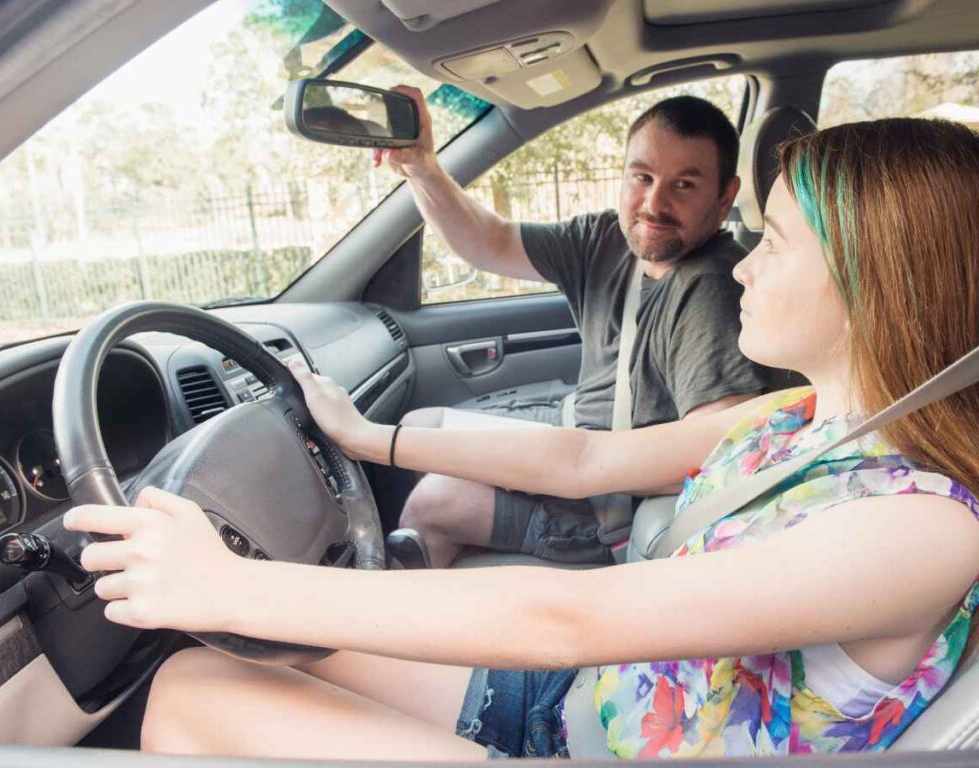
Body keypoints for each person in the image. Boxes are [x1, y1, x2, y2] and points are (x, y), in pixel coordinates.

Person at [65, 118, 979, 761]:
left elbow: (566, 619)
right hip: (591, 699)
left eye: (773, 243)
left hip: (594, 735)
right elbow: (579, 462)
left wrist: (230, 580)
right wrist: (369, 435)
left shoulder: (923, 527)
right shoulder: (795, 418)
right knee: (247, 648)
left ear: (879, 279)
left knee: (196, 692)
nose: (740, 262)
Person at [382, 90, 779, 568]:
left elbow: (716, 455)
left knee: (431, 504)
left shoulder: (711, 290)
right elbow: (493, 242)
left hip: (607, 503)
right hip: (576, 435)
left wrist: (557, 467)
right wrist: (423, 167)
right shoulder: (607, 240)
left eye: (684, 185)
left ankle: (411, 636)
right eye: (643, 177)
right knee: (419, 431)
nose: (654, 204)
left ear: (725, 198)